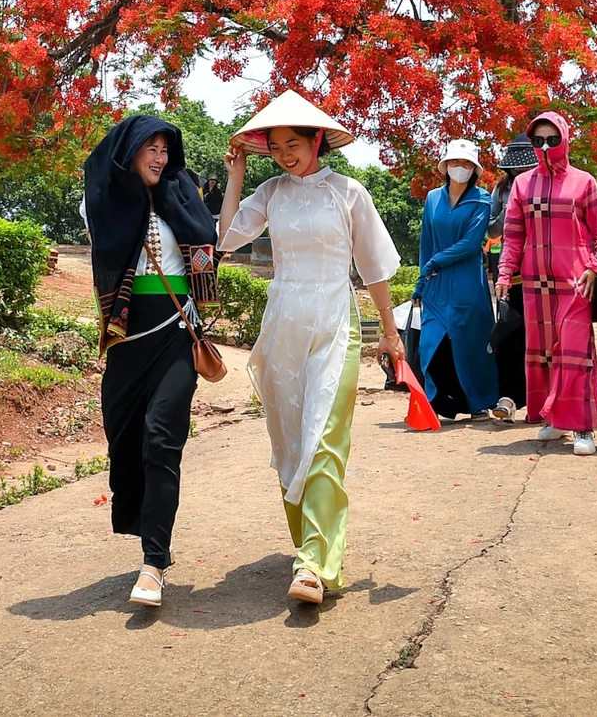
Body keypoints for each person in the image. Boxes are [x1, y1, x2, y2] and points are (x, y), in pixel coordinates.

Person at [218, 91, 404, 605]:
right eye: (274, 146)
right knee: (291, 439)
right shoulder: (271, 192)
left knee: (324, 435)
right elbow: (227, 238)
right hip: (283, 323)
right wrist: (235, 176)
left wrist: (389, 334)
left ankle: (314, 564)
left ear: (317, 140)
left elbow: (375, 268)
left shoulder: (349, 193)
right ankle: (311, 544)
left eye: (293, 143)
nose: (283, 154)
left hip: (334, 320)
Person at [82, 113, 220, 609]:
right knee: (127, 439)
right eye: (151, 148)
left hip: (178, 333)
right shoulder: (102, 201)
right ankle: (146, 529)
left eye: (166, 149)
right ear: (131, 151)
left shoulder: (182, 196)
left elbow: (211, 238)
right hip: (126, 336)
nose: (161, 158)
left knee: (163, 438)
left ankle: (154, 562)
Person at [496, 112, 597, 456]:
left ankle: (583, 427)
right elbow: (513, 236)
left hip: (577, 282)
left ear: (564, 139)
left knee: (576, 355)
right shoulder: (522, 185)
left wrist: (594, 266)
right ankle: (553, 419)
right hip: (536, 284)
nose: (546, 146)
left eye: (553, 139)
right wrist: (505, 274)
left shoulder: (584, 182)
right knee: (545, 353)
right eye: (539, 141)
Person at [414, 140, 497, 420]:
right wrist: (421, 280)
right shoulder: (432, 198)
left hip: (467, 285)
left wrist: (436, 262)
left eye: (465, 164)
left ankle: (479, 404)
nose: (459, 168)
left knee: (469, 343)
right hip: (436, 284)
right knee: (431, 342)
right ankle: (437, 403)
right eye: (454, 162)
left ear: (473, 169)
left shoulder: (482, 200)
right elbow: (427, 242)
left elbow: (471, 243)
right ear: (445, 166)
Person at [484, 136, 539, 416]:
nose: (520, 175)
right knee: (507, 333)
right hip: (509, 270)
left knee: (538, 336)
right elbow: (492, 231)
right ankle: (507, 397)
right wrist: (509, 210)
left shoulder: (547, 184)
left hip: (541, 269)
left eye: (525, 169)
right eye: (515, 170)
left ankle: (538, 399)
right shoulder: (501, 189)